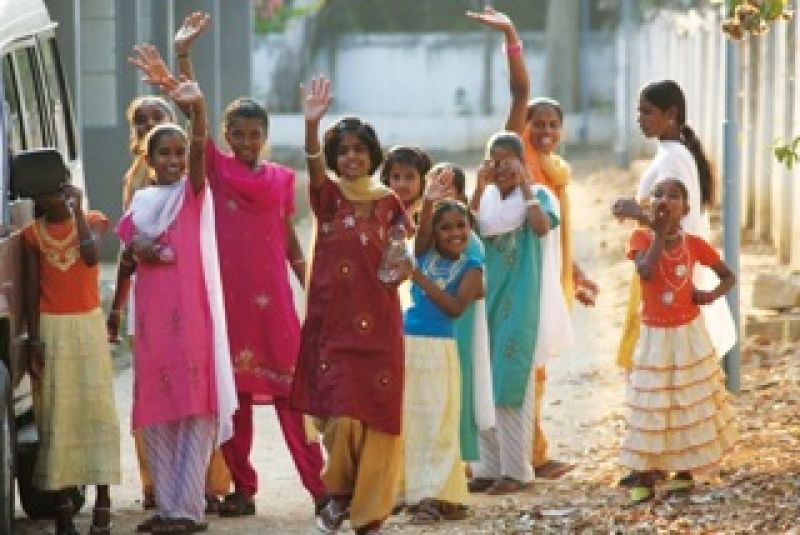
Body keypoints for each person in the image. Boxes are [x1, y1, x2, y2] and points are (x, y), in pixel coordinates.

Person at [168, 11, 327, 517]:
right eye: (237, 133)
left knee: (292, 398)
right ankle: (244, 489)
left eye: (254, 134)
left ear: (265, 135)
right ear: (226, 135)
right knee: (233, 400)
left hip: (274, 305)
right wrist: (184, 55)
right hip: (229, 305)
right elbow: (195, 122)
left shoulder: (281, 179)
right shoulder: (215, 170)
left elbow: (288, 238)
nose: (245, 141)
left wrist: (311, 286)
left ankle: (322, 489)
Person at [468, 6, 596, 479]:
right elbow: (521, 90)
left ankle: (525, 455)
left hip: (537, 275)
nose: (542, 132)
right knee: (509, 367)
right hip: (504, 278)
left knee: (528, 368)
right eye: (535, 124)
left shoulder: (553, 175)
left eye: (551, 125)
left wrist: (574, 272)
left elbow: (551, 232)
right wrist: (511, 35)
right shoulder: (514, 156)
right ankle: (517, 458)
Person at [116, 64, 237, 533]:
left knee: (193, 407)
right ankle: (167, 508)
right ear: (148, 160)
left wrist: (198, 110)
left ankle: (188, 509)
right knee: (158, 413)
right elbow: (128, 250)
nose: (173, 160)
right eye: (163, 153)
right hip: (151, 329)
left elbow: (201, 148)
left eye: (179, 153)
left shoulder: (193, 194)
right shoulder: (141, 204)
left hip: (192, 323)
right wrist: (137, 249)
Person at [290, 77, 408, 535]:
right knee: (338, 415)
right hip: (334, 326)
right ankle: (339, 493)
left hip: (381, 327)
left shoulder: (389, 203)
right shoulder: (329, 197)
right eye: (343, 151)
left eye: (359, 149)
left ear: (373, 155)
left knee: (377, 417)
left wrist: (402, 260)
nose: (352, 157)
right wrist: (311, 127)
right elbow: (314, 167)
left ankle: (370, 513)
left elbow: (401, 256)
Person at [467, 131, 572, 495]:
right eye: (494, 162)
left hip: (521, 301)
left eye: (507, 162)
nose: (500, 169)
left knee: (512, 381)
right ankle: (487, 468)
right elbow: (467, 231)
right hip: (485, 299)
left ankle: (517, 470)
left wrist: (526, 186)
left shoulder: (540, 196)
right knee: (483, 379)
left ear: (522, 162)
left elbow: (541, 227)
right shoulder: (487, 200)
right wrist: (478, 188)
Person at [620, 177, 736, 504]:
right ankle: (645, 476)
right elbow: (646, 271)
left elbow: (729, 276)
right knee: (651, 401)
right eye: (658, 194)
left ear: (685, 209)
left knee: (686, 400)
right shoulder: (641, 238)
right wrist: (658, 234)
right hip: (654, 336)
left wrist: (708, 295)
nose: (665, 200)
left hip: (688, 334)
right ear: (650, 204)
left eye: (674, 196)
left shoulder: (695, 244)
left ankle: (683, 472)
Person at [612, 80, 736, 373]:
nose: (639, 119)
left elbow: (673, 222)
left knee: (662, 361)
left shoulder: (673, 159)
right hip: (657, 260)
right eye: (638, 112)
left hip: (663, 268)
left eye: (646, 112)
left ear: (671, 114)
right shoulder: (671, 153)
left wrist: (637, 212)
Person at [22, 182, 121, 535]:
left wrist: (77, 211)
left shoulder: (92, 220)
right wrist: (34, 340)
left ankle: (103, 504)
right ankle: (63, 509)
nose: (55, 199)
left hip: (88, 327)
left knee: (97, 411)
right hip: (53, 330)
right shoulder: (32, 235)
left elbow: (91, 256)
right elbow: (31, 290)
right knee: (58, 415)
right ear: (37, 198)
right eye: (47, 193)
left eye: (60, 191)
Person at [402, 179, 483, 524]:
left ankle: (438, 494)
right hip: (408, 345)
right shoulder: (424, 253)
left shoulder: (472, 268)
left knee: (439, 422)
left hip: (440, 351)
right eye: (445, 227)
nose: (454, 233)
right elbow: (419, 236)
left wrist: (418, 278)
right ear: (433, 234)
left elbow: (455, 308)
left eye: (461, 226)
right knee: (413, 420)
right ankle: (417, 493)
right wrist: (428, 204)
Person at [380, 145, 432, 227]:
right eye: (396, 177)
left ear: (423, 180)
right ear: (387, 179)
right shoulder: (378, 211)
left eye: (410, 177)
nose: (401, 184)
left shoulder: (433, 213)